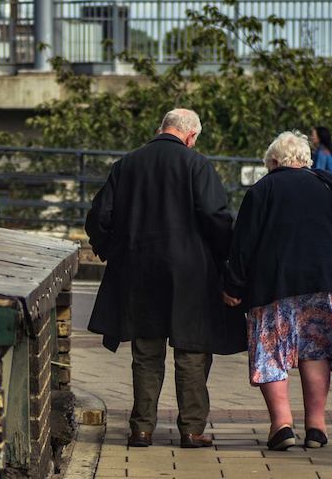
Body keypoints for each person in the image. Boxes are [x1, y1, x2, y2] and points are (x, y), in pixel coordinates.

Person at [85, 108, 247, 449]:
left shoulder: (126, 165)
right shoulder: (196, 164)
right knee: (191, 350)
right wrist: (224, 257)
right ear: (190, 136)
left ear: (163, 128)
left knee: (146, 352)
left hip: (138, 271)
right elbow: (216, 216)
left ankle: (141, 428)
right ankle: (191, 429)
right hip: (190, 273)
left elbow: (99, 217)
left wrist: (115, 250)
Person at [223, 130, 332, 451]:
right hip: (326, 283)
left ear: (273, 162)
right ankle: (316, 427)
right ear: (305, 161)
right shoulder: (330, 186)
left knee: (270, 352)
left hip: (274, 285)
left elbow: (243, 244)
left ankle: (281, 425)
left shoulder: (262, 189)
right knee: (316, 351)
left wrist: (233, 285)